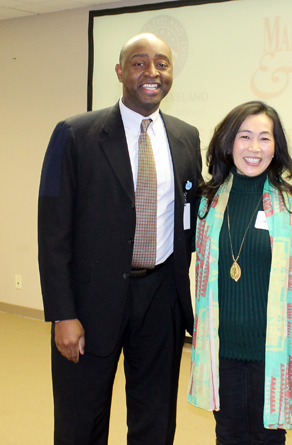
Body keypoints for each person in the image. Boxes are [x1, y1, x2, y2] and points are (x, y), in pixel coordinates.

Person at [38, 33, 201, 444]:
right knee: (80, 421)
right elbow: (52, 233)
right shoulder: (74, 135)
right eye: (139, 63)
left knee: (155, 419)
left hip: (162, 298)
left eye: (161, 64)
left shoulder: (186, 137)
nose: (152, 73)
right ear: (120, 72)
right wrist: (62, 313)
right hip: (90, 305)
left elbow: (192, 217)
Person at [187, 101, 292, 444]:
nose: (255, 148)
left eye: (265, 138)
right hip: (221, 347)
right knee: (227, 435)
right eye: (245, 137)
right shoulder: (207, 202)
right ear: (229, 143)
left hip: (272, 351)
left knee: (268, 438)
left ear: (277, 147)